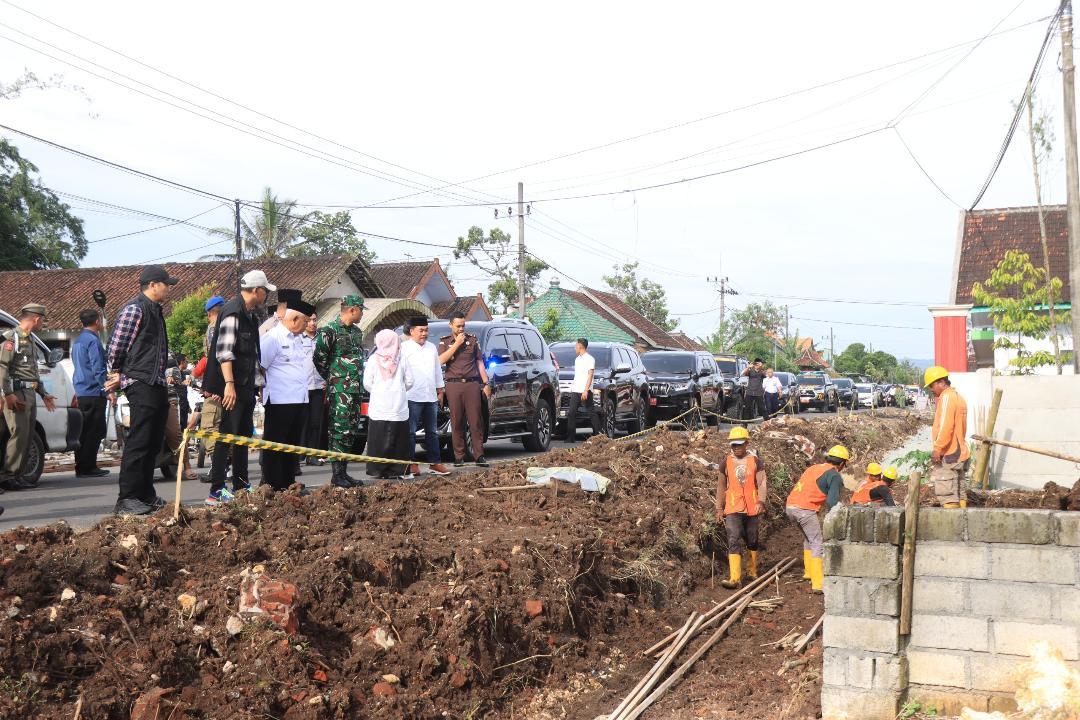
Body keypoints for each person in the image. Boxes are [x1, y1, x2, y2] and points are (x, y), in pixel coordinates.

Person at [106, 266, 178, 515]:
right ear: (153, 285)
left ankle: (146, 494)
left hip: (156, 381)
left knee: (153, 441)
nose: (168, 289)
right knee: (139, 441)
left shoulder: (155, 311)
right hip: (139, 381)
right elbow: (116, 346)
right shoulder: (134, 309)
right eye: (166, 284)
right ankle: (126, 498)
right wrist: (116, 373)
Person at [202, 270, 274, 505]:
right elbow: (224, 352)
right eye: (265, 291)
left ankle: (241, 483)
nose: (266, 296)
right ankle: (216, 489)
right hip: (232, 386)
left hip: (246, 385)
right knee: (226, 435)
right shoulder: (233, 312)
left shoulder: (249, 315)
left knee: (242, 435)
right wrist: (229, 386)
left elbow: (250, 354)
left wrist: (258, 381)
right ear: (256, 290)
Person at [0, 303, 57, 491]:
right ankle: (8, 476)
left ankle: (17, 474)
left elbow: (31, 372)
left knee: (26, 435)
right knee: (18, 434)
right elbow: (2, 368)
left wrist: (43, 393)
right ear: (36, 318)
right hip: (16, 394)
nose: (43, 324)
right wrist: (7, 394)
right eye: (43, 320)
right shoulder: (11, 339)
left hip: (29, 393)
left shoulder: (30, 340)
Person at [259, 301, 314, 491]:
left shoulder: (297, 339)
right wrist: (261, 393)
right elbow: (261, 368)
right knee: (276, 444)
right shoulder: (272, 338)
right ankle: (272, 483)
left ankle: (288, 482)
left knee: (292, 445)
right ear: (295, 319)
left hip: (299, 399)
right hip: (279, 400)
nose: (307, 325)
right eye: (305, 321)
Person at [314, 295, 366, 487]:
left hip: (355, 389)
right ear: (352, 309)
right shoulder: (329, 331)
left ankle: (344, 474)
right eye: (361, 309)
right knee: (339, 429)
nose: (361, 314)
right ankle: (336, 475)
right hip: (339, 390)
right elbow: (319, 358)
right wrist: (334, 377)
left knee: (350, 430)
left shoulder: (357, 332)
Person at [785, 444, 849, 593]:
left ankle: (809, 573)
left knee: (809, 538)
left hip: (790, 506)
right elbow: (832, 502)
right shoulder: (834, 475)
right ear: (842, 463)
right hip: (804, 509)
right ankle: (818, 583)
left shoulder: (814, 468)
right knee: (817, 543)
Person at [715, 426, 768, 589]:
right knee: (733, 538)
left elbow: (762, 483)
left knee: (752, 539)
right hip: (732, 507)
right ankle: (735, 578)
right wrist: (719, 508)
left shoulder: (755, 461)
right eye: (733, 445)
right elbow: (721, 485)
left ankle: (751, 571)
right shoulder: (726, 462)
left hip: (752, 507)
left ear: (747, 443)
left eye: (739, 444)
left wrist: (761, 501)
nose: (736, 448)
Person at [437, 312, 491, 467]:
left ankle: (479, 455)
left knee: (475, 421)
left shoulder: (472, 340)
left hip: (471, 384)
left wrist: (486, 383)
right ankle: (459, 456)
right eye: (458, 326)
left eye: (463, 325)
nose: (461, 329)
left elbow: (479, 362)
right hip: (453, 385)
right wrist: (456, 344)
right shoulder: (444, 342)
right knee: (456, 421)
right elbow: (441, 360)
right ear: (451, 325)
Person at [401, 316, 450, 476]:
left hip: (430, 396)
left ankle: (434, 463)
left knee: (432, 432)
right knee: (410, 432)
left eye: (426, 330)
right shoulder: (404, 348)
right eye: (421, 330)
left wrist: (440, 389)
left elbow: (437, 369)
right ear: (411, 331)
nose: (424, 333)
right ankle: (411, 463)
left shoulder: (431, 347)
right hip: (412, 396)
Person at [363, 329, 415, 480]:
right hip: (398, 406)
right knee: (398, 439)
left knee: (378, 438)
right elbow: (410, 381)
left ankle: (377, 470)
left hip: (379, 406)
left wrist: (379, 391)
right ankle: (399, 470)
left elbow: (367, 383)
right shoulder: (402, 358)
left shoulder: (373, 359)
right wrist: (398, 390)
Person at [71, 308, 112, 479]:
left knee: (84, 431)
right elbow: (98, 368)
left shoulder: (78, 341)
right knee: (95, 431)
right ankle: (88, 466)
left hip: (81, 390)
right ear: (97, 322)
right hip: (94, 391)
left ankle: (82, 465)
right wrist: (107, 388)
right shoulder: (93, 341)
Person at [925, 366, 970, 509]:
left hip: (950, 453)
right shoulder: (959, 397)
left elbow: (946, 426)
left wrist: (937, 449)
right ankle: (963, 526)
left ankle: (953, 528)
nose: (931, 390)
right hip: (959, 452)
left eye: (931, 385)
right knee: (959, 492)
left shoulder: (946, 397)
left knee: (947, 493)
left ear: (941, 382)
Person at [301, 312, 326, 467]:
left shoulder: (322, 339)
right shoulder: (297, 337)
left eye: (314, 320)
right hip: (301, 387)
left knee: (316, 423)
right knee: (301, 422)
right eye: (309, 320)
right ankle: (299, 454)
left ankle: (312, 455)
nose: (312, 323)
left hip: (318, 385)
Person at [564, 337, 599, 442]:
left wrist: (586, 390)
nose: (575, 348)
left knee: (591, 413)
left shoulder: (590, 359)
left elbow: (590, 375)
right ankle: (570, 437)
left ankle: (599, 436)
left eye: (576, 345)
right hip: (576, 390)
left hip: (585, 390)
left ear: (580, 346)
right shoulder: (577, 359)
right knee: (571, 413)